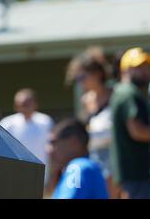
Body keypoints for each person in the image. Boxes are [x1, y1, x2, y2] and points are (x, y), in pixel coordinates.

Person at [66, 48, 119, 197]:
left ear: (97, 73)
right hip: (93, 156)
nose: (80, 82)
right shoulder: (85, 100)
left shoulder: (115, 94)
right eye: (78, 78)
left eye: (83, 77)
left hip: (114, 156)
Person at [109, 47, 150, 199]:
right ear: (125, 70)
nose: (145, 71)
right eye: (138, 67)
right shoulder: (128, 93)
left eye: (146, 66)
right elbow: (137, 131)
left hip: (134, 177)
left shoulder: (125, 91)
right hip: (136, 176)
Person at [49, 118, 108, 199]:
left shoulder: (79, 166)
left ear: (73, 142)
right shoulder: (82, 167)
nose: (49, 150)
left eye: (53, 142)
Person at [0, 88, 53, 165]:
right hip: (16, 169)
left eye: (28, 104)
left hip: (43, 169)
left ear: (35, 104)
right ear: (16, 106)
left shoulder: (46, 121)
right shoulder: (7, 123)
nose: (25, 107)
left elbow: (51, 146)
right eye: (22, 104)